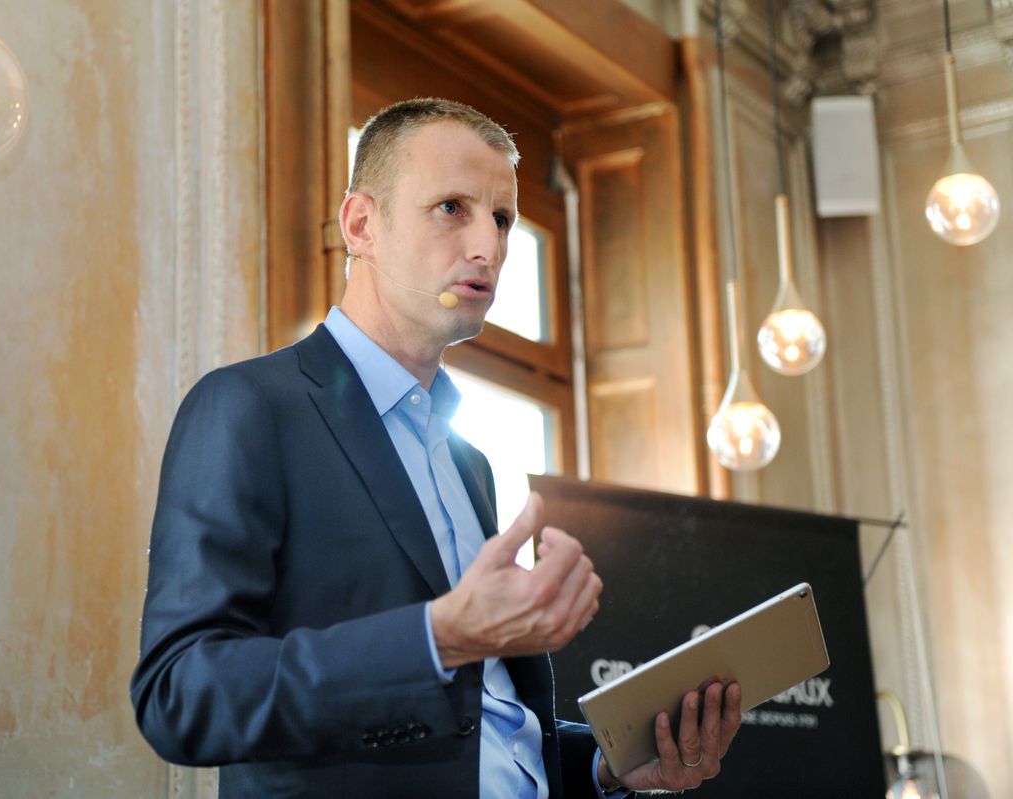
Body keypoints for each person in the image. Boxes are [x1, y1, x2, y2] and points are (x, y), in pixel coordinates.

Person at [130, 97, 742, 798]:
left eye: (502, 218)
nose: (488, 246)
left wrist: (607, 766)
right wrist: (436, 637)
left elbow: (485, 734)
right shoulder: (249, 408)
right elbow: (180, 694)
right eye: (452, 207)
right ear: (361, 224)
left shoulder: (469, 463)